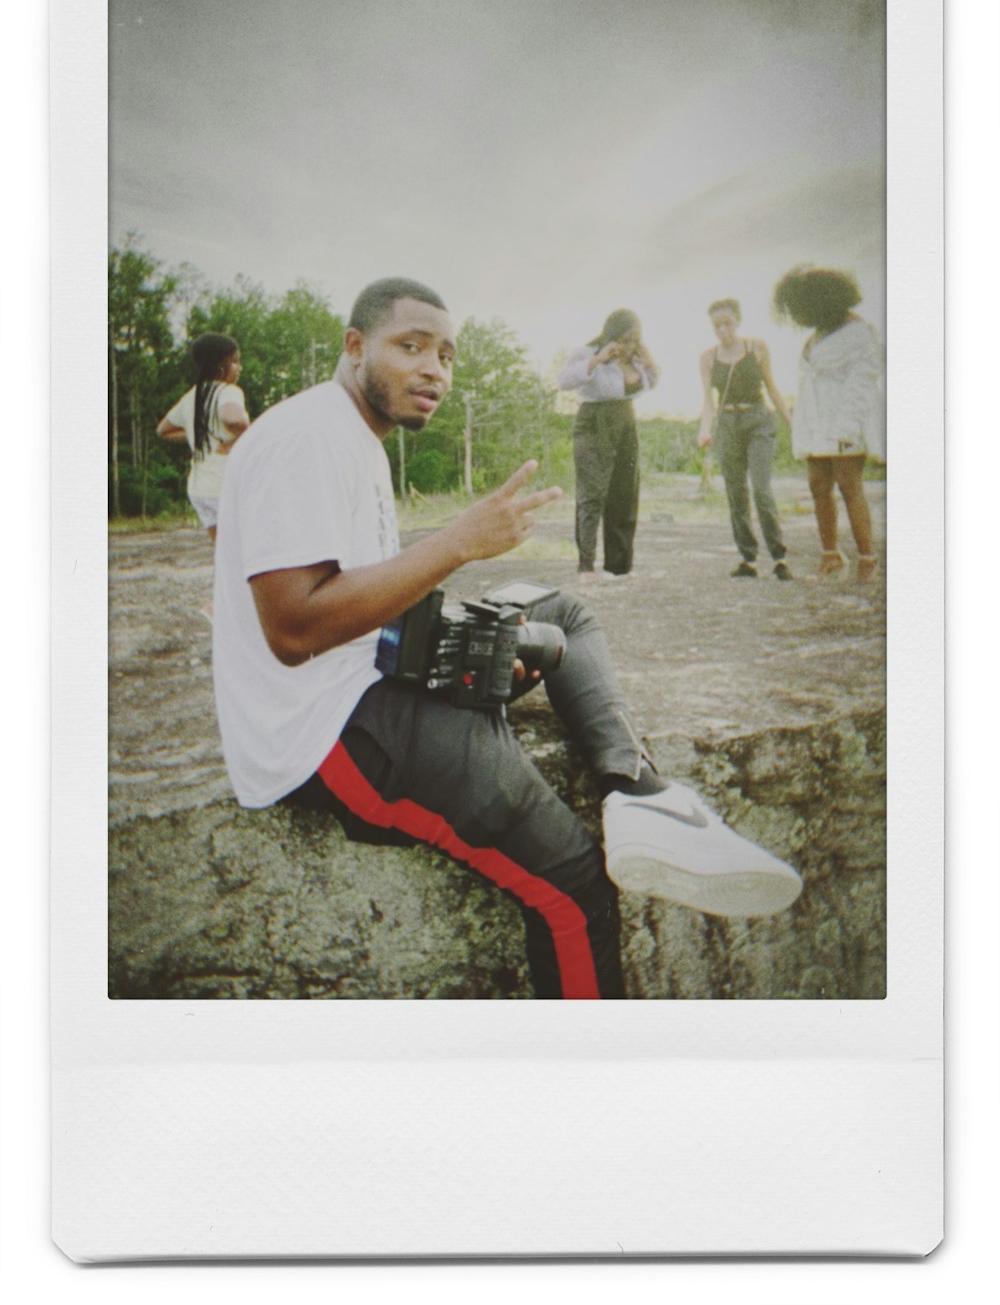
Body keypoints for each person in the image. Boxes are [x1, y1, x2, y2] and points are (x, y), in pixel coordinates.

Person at [211, 278, 801, 1001]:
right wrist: (457, 543)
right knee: (575, 885)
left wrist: (455, 627)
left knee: (561, 613)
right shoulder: (307, 436)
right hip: (329, 731)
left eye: (448, 356)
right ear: (355, 346)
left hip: (373, 667)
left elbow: (358, 588)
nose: (435, 369)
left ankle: (640, 795)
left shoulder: (354, 435)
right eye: (411, 347)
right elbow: (294, 628)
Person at [773, 266, 885, 584]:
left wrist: (847, 427)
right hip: (815, 422)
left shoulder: (859, 333)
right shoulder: (819, 333)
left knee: (850, 486)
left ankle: (867, 561)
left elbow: (863, 381)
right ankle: (831, 556)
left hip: (845, 419)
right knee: (818, 486)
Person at [557, 310, 659, 584]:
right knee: (592, 494)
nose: (629, 346)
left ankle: (619, 566)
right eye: (625, 340)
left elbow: (651, 384)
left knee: (624, 494)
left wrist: (649, 364)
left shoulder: (636, 359)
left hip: (625, 420)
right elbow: (563, 381)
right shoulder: (587, 352)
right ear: (612, 335)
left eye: (635, 340)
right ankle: (586, 565)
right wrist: (598, 360)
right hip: (593, 421)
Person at [698, 299, 793, 580]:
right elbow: (707, 401)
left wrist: (792, 425)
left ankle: (779, 558)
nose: (723, 329)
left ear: (738, 321)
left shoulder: (757, 348)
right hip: (727, 423)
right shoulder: (707, 357)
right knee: (735, 492)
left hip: (758, 420)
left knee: (761, 489)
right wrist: (704, 429)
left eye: (727, 323)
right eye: (717, 325)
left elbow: (773, 389)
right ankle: (748, 559)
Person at [156, 333, 250, 544]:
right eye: (235, 361)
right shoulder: (229, 391)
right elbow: (232, 417)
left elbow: (163, 430)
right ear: (220, 364)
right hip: (224, 485)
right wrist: (245, 431)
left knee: (224, 552)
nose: (239, 367)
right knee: (248, 549)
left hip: (200, 490)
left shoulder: (191, 396)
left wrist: (196, 432)